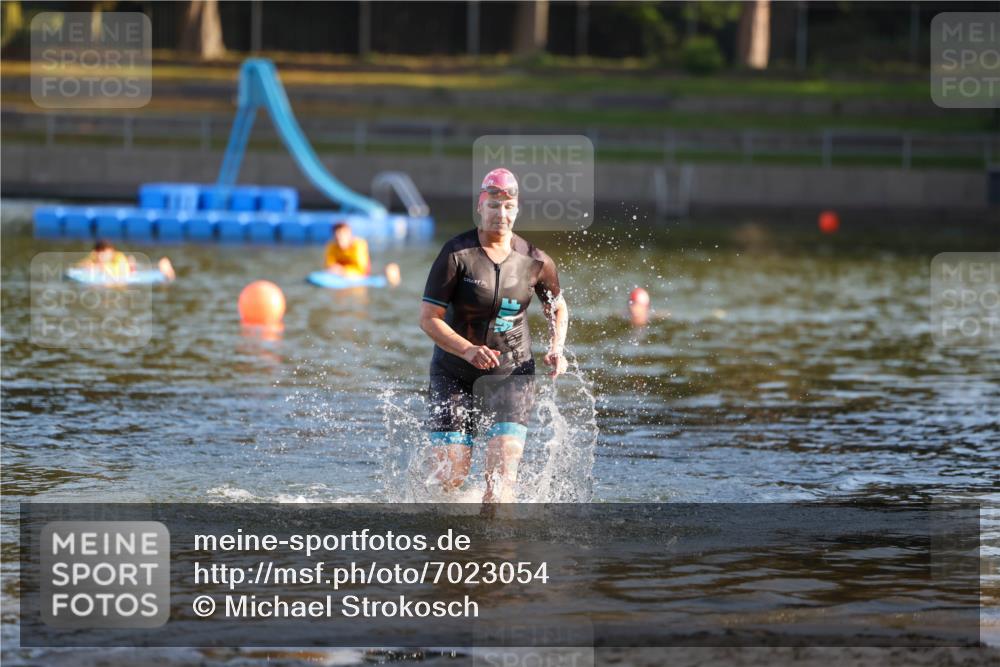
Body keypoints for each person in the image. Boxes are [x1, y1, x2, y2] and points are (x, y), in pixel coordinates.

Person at [419, 168, 569, 505]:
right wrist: (467, 349)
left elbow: (558, 308)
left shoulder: (536, 261)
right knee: (450, 476)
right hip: (454, 371)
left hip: (512, 373)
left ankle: (495, 537)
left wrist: (557, 347)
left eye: (508, 206)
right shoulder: (456, 254)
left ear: (517, 209)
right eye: (493, 205)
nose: (501, 213)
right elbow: (428, 319)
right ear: (480, 207)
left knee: (501, 482)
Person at [324, 222, 401, 286]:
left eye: (342, 235)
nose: (340, 238)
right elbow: (330, 266)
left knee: (390, 269)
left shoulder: (359, 245)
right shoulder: (332, 246)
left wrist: (343, 271)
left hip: (366, 273)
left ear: (349, 234)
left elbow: (362, 268)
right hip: (344, 274)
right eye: (337, 236)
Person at [78, 240, 175, 281]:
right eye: (100, 253)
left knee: (154, 268)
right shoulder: (95, 256)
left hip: (131, 269)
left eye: (105, 253)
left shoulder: (118, 258)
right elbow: (81, 265)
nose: (102, 256)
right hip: (126, 267)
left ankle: (163, 264)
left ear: (111, 251)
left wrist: (101, 266)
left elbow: (116, 274)